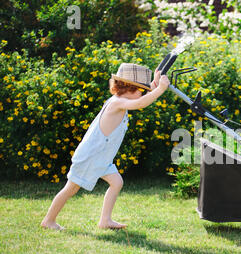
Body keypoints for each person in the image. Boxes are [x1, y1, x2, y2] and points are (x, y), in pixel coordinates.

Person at [41, 63, 170, 230]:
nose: (143, 93)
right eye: (141, 90)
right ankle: (48, 221)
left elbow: (141, 98)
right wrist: (160, 90)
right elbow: (141, 103)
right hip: (91, 155)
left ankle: (105, 220)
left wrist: (155, 84)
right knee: (71, 188)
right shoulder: (117, 103)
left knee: (116, 182)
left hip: (102, 157)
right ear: (129, 88)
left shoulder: (123, 99)